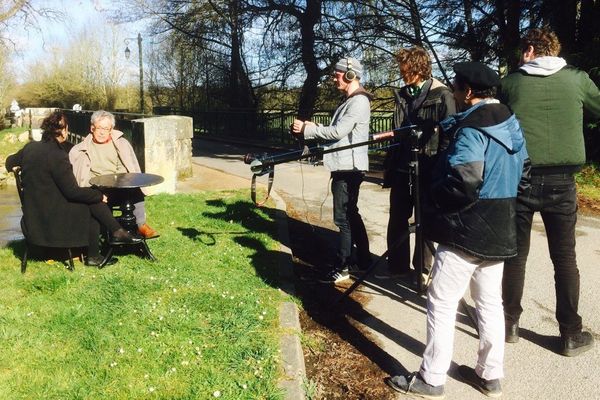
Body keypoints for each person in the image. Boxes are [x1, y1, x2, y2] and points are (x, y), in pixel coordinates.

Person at [385, 62, 528, 398]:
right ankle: (490, 375)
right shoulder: (511, 122)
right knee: (489, 302)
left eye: (456, 88)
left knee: (442, 300)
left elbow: (465, 180)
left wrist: (433, 198)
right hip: (501, 224)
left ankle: (431, 378)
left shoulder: (472, 128)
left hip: (467, 227)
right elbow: (526, 170)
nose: (454, 93)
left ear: (466, 92)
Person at [498, 28, 600, 355]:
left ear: (529, 50)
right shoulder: (578, 79)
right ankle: (570, 334)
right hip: (562, 181)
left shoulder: (511, 83)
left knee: (515, 254)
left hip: (519, 178)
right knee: (565, 257)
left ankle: (508, 323)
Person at [5, 111, 141, 267]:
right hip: (52, 218)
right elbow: (72, 191)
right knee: (93, 203)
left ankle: (117, 233)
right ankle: (98, 251)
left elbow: (10, 162)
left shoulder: (30, 148)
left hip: (33, 214)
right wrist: (97, 196)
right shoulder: (58, 155)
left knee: (91, 197)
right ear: (64, 131)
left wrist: (16, 168)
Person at [377, 46, 456, 280]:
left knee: (425, 219)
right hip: (402, 165)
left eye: (405, 67)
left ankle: (422, 269)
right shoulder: (402, 94)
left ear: (418, 68)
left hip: (429, 166)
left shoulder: (443, 94)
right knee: (397, 216)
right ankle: (397, 267)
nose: (402, 72)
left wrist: (441, 167)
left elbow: (449, 134)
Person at [291, 56, 372, 283]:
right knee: (351, 215)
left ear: (349, 75)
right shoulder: (351, 100)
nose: (333, 78)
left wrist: (309, 128)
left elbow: (338, 132)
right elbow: (340, 134)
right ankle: (363, 260)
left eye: (336, 74)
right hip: (346, 166)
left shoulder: (358, 102)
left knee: (343, 218)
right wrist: (313, 131)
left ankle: (343, 266)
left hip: (349, 169)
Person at [69, 110, 158, 239]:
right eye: (99, 127)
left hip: (117, 185)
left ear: (111, 129)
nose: (102, 132)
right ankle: (111, 230)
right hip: (96, 188)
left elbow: (125, 169)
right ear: (92, 128)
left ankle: (140, 225)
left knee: (135, 190)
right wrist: (97, 192)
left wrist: (116, 184)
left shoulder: (121, 144)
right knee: (96, 199)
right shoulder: (79, 149)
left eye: (106, 128)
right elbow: (81, 176)